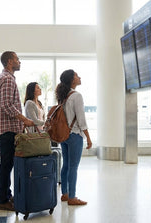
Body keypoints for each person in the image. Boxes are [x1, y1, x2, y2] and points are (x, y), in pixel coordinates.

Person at [0, 51, 34, 211]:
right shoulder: (8, 79)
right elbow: (7, 105)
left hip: (5, 128)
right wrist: (24, 120)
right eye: (17, 59)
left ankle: (7, 196)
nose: (19, 62)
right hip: (7, 129)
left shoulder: (3, 78)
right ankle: (3, 200)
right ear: (9, 62)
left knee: (6, 165)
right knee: (6, 165)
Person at [55, 69, 92, 205]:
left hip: (64, 135)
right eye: (77, 75)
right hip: (75, 135)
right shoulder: (76, 96)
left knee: (66, 165)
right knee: (73, 167)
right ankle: (72, 197)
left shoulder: (63, 96)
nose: (79, 77)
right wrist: (88, 137)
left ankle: (65, 193)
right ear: (72, 80)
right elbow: (81, 119)